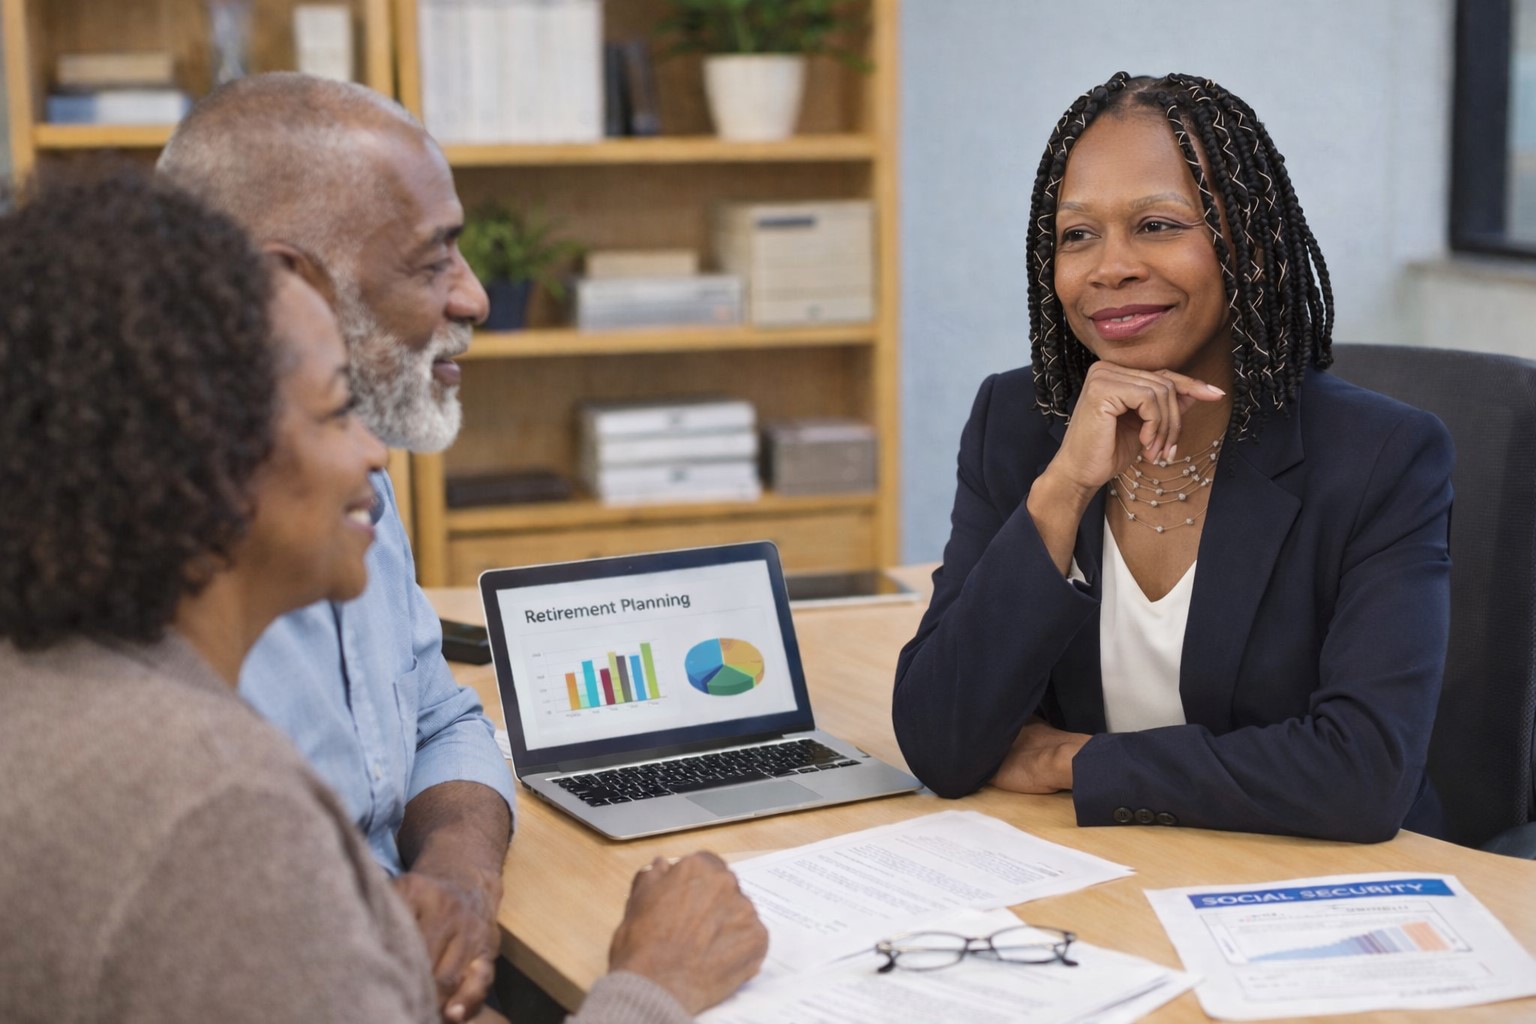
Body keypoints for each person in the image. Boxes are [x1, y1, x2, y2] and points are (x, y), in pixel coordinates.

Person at [0, 171, 768, 1024]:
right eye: (336, 413)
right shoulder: (215, 807)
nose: (377, 454)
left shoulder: (63, 694)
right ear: (200, 465)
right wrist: (656, 982)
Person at [891, 72, 1453, 845]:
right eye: (1077, 234)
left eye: (1156, 225)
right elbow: (940, 743)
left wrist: (1075, 762)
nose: (1108, 267)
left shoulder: (1381, 457)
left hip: (1318, 888)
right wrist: (1063, 489)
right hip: (1110, 876)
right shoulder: (1017, 426)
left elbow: (1361, 778)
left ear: (1248, 245)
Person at [156, 74, 516, 1020]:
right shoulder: (136, 603)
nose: (474, 297)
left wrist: (461, 876)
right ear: (287, 283)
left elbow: (441, 717)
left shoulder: (353, 472)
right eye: (433, 257)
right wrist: (654, 984)